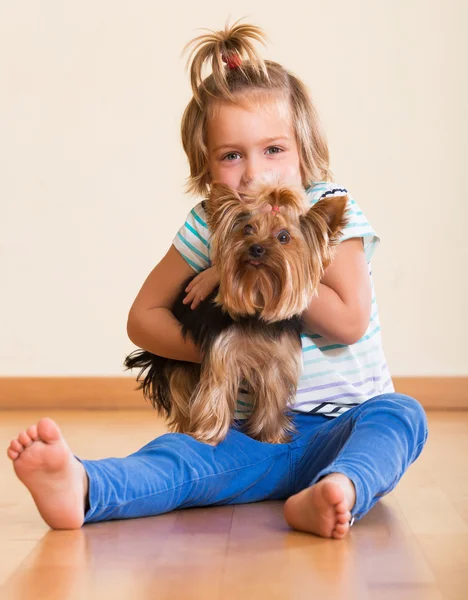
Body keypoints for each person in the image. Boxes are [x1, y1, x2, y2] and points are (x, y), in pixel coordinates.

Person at [7, 20, 428, 540]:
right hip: (247, 436)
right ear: (205, 166)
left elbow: (348, 321)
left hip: (343, 426)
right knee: (182, 458)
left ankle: (339, 487)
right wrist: (224, 347)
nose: (254, 174)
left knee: (401, 416)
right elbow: (143, 320)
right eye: (232, 155)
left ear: (304, 147)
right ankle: (87, 485)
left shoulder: (328, 209)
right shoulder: (209, 223)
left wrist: (260, 268)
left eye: (273, 150)